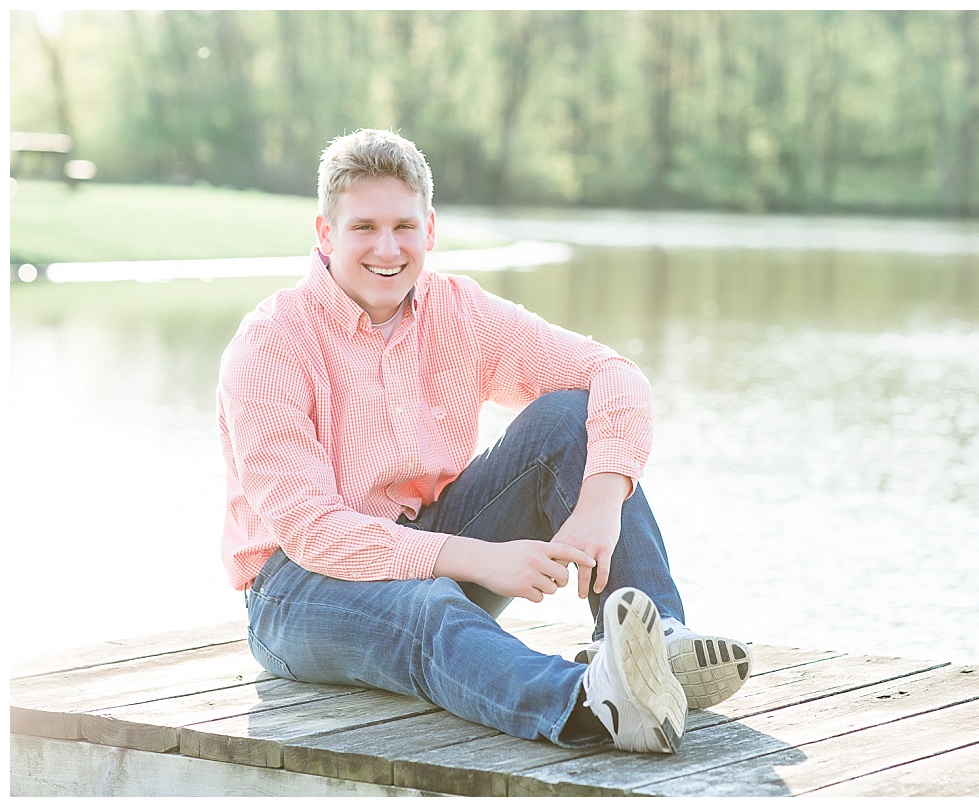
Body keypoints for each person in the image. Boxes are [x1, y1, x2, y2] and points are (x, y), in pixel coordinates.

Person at [217, 128, 752, 754]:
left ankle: (652, 641)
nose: (387, 249)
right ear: (324, 233)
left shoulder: (457, 312)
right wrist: (483, 560)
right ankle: (591, 703)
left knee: (565, 419)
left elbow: (614, 375)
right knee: (425, 607)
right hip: (297, 588)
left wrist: (601, 502)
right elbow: (314, 532)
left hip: (430, 532)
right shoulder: (271, 344)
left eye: (404, 227)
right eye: (363, 227)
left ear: (431, 231)